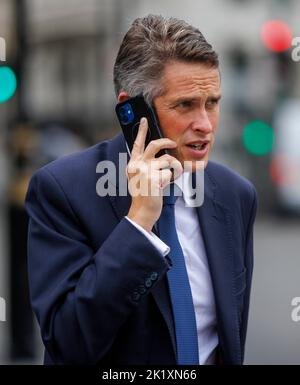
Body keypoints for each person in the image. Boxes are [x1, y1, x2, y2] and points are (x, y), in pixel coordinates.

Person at [25, 15, 257, 365]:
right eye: (185, 105)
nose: (205, 125)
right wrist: (138, 225)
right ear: (133, 109)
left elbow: (230, 341)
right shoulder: (62, 190)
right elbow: (68, 343)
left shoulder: (235, 194)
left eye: (212, 102)